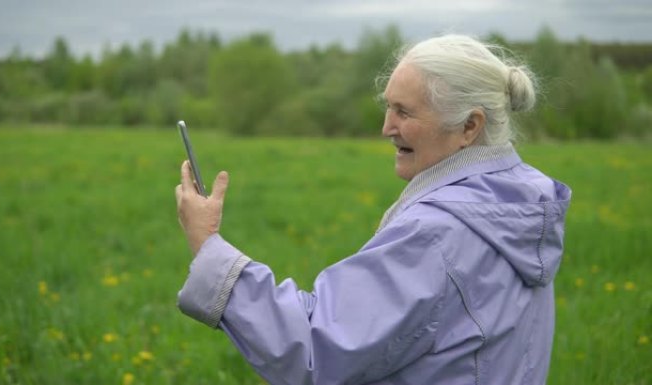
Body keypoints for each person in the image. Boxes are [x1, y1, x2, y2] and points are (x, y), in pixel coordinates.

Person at [174, 34, 571, 385]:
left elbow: (315, 346)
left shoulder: (438, 235)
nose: (386, 127)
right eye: (388, 108)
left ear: (469, 126)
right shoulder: (515, 206)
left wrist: (208, 245)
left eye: (404, 112)